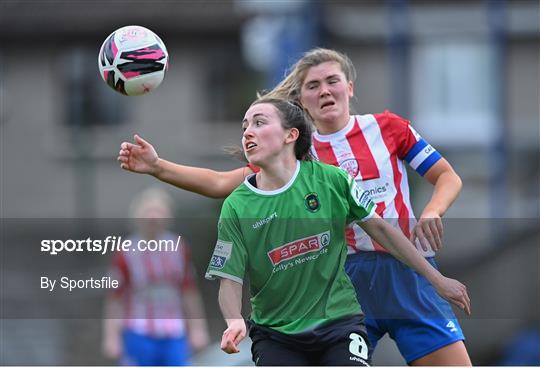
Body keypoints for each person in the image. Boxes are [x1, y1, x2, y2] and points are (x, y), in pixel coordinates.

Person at [117, 48, 471, 365]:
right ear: (301, 99)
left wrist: (432, 211)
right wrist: (158, 167)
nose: (324, 90)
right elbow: (219, 184)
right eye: (313, 85)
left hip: (405, 268)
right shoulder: (294, 152)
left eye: (332, 81)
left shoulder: (388, 128)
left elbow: (447, 177)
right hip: (344, 279)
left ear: (350, 87)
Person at [204, 97, 469, 366]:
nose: (248, 131)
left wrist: (436, 279)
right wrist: (234, 320)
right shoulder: (236, 205)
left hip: (339, 325)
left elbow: (382, 229)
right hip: (276, 334)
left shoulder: (332, 180)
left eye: (259, 123)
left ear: (290, 135)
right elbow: (230, 277)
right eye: (245, 126)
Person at [102, 187, 209, 366]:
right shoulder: (125, 251)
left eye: (159, 211)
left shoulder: (179, 247)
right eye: (148, 211)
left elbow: (189, 291)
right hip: (138, 331)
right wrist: (111, 337)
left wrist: (198, 329)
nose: (153, 217)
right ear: (137, 216)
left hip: (174, 332)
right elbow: (115, 298)